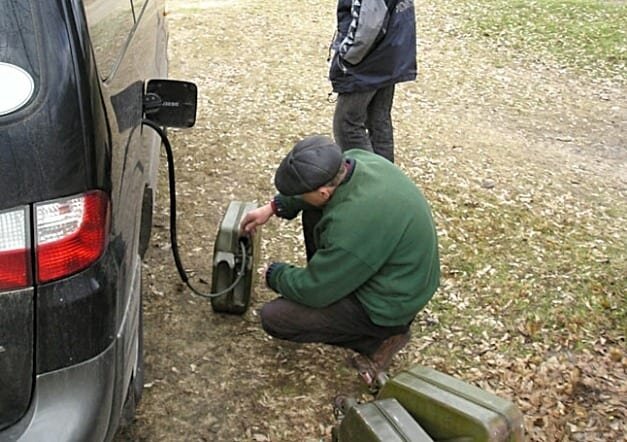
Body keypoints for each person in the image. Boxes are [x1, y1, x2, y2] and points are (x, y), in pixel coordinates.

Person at [240, 135, 439, 385]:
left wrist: (274, 274)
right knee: (312, 211)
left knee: (275, 317)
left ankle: (382, 337)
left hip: (391, 302)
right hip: (400, 274)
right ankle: (335, 278)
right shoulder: (354, 160)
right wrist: (273, 207)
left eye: (301, 193)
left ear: (323, 191)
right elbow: (311, 191)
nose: (299, 196)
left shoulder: (353, 224)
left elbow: (313, 291)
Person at [328, 0, 417, 164]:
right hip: (390, 50)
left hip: (367, 60)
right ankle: (387, 180)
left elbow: (368, 27)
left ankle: (367, 179)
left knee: (347, 124)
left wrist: (345, 58)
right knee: (378, 120)